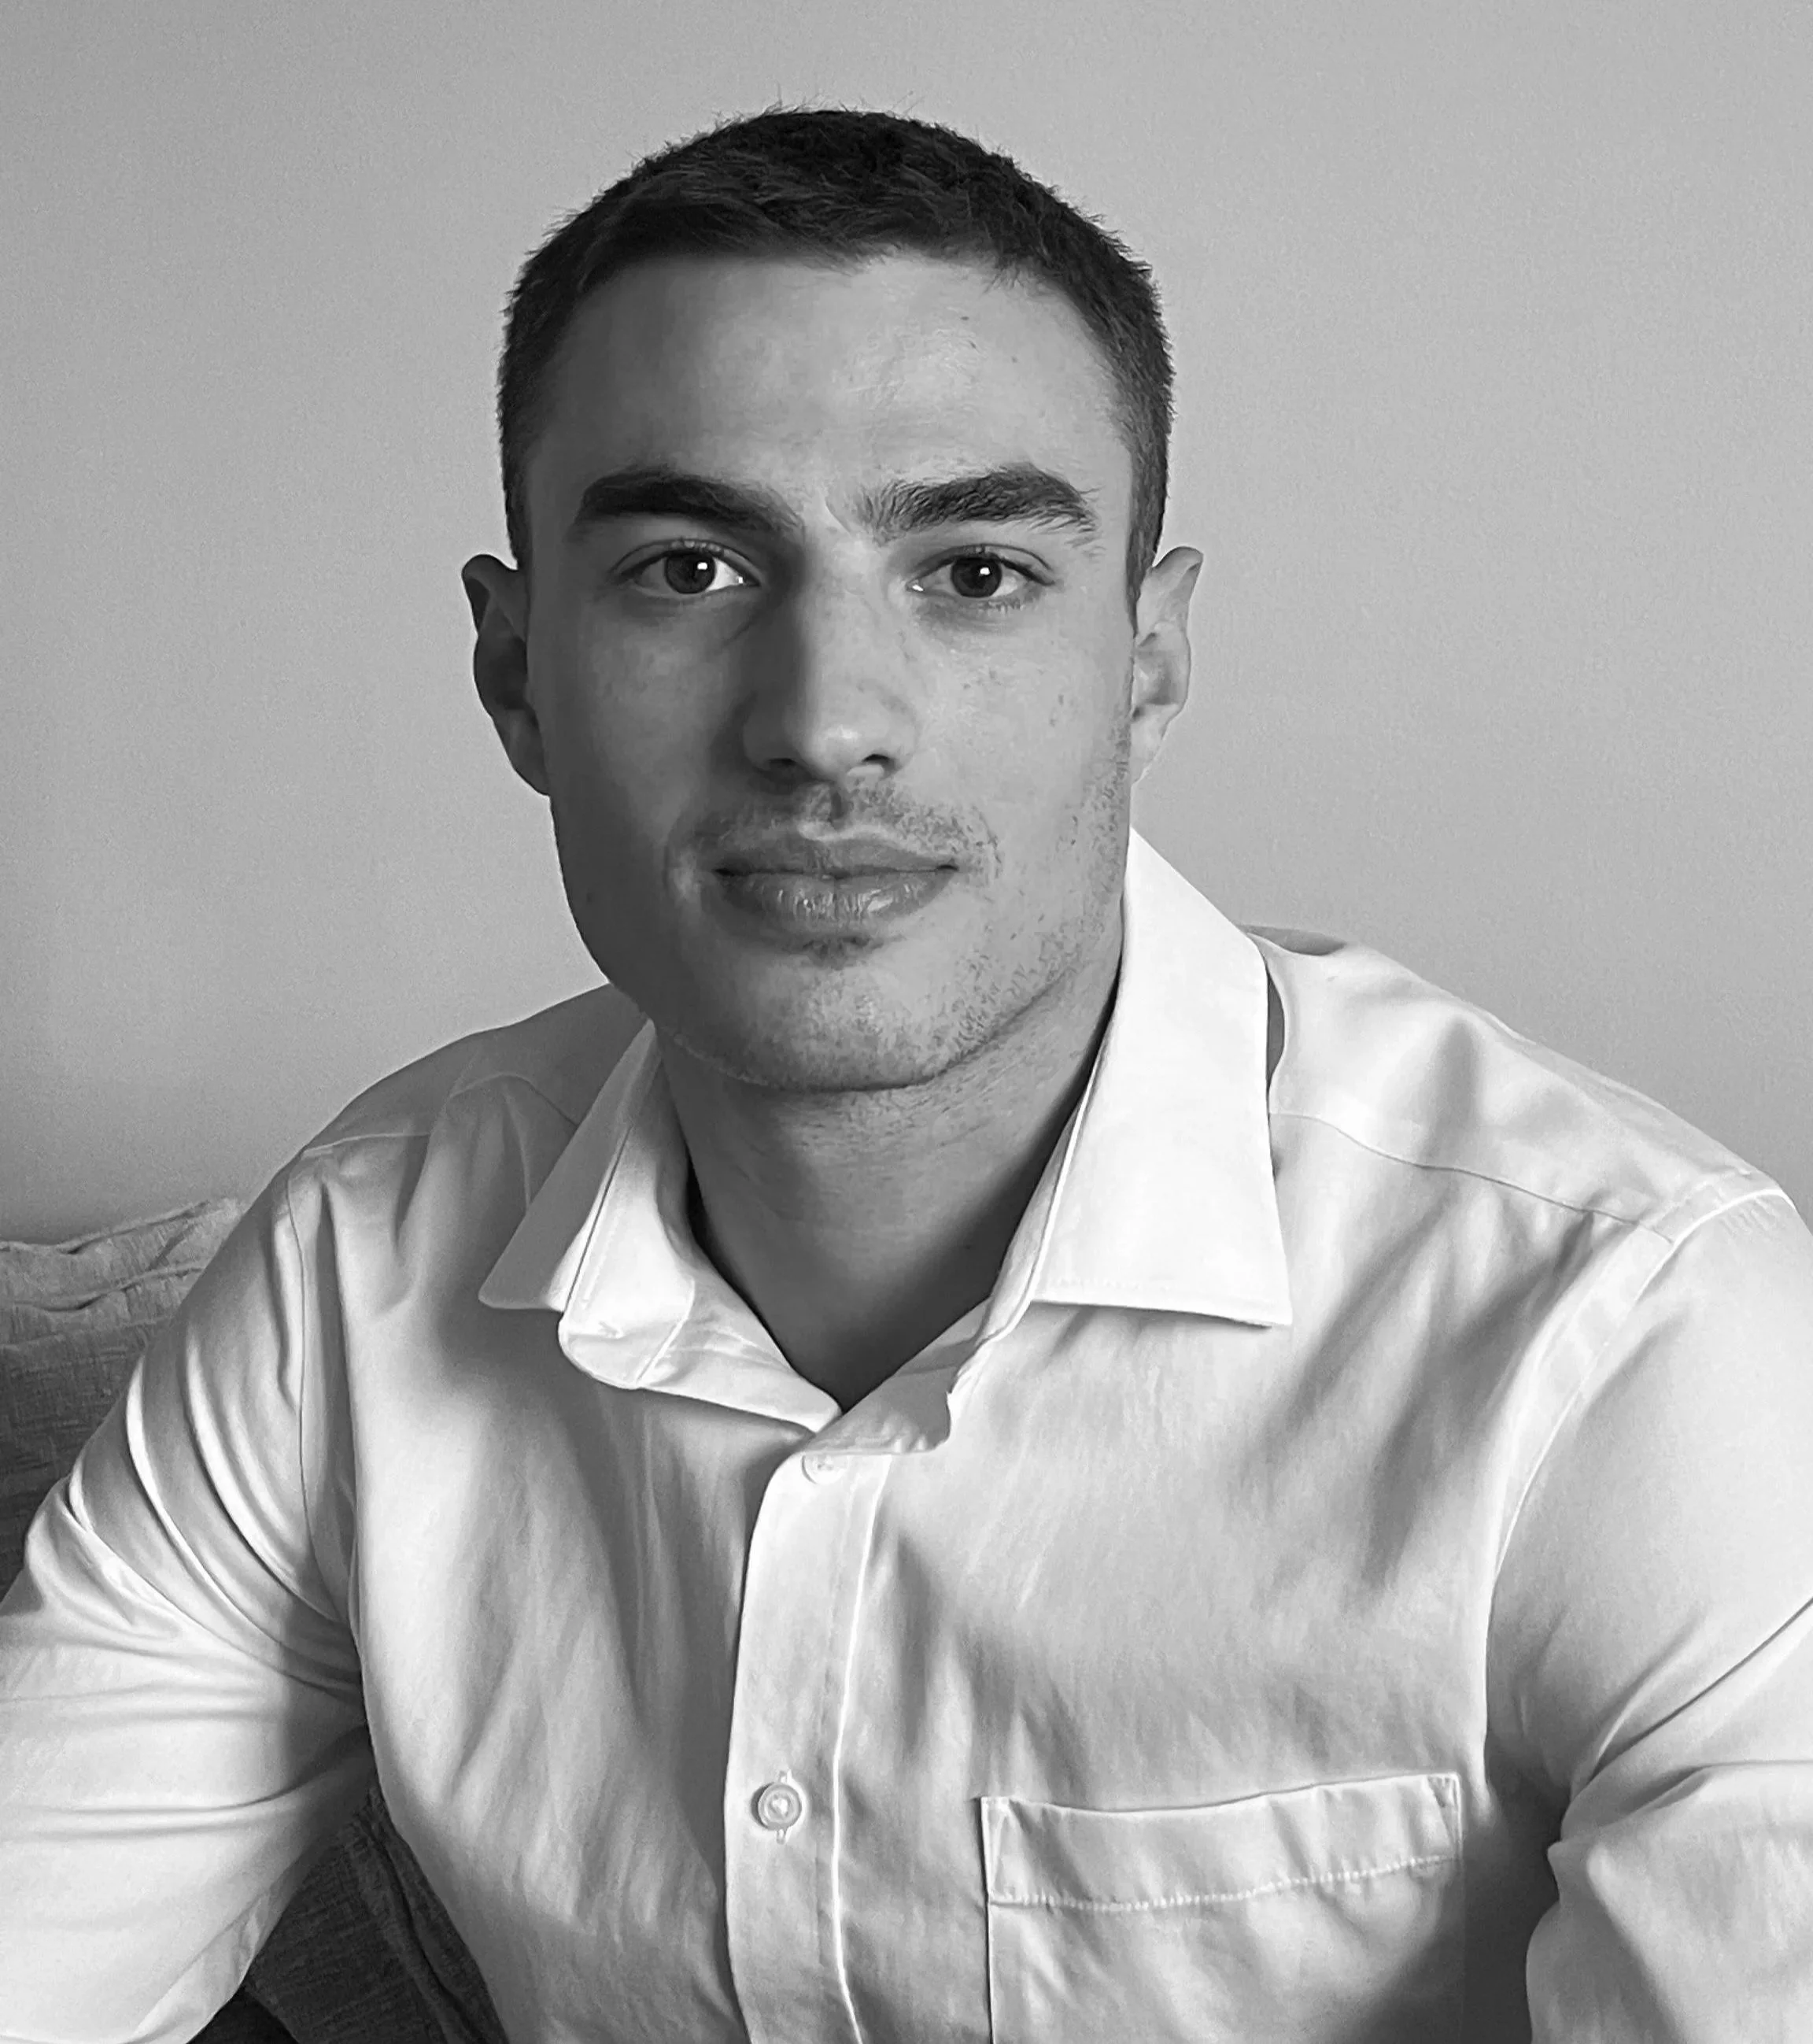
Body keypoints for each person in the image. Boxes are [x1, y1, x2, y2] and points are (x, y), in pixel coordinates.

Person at [2, 101, 1810, 2044]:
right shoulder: (357, 1264)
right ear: (516, 673)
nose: (825, 724)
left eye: (974, 570)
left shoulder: (1633, 1338)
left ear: (1150, 656)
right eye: (690, 566)